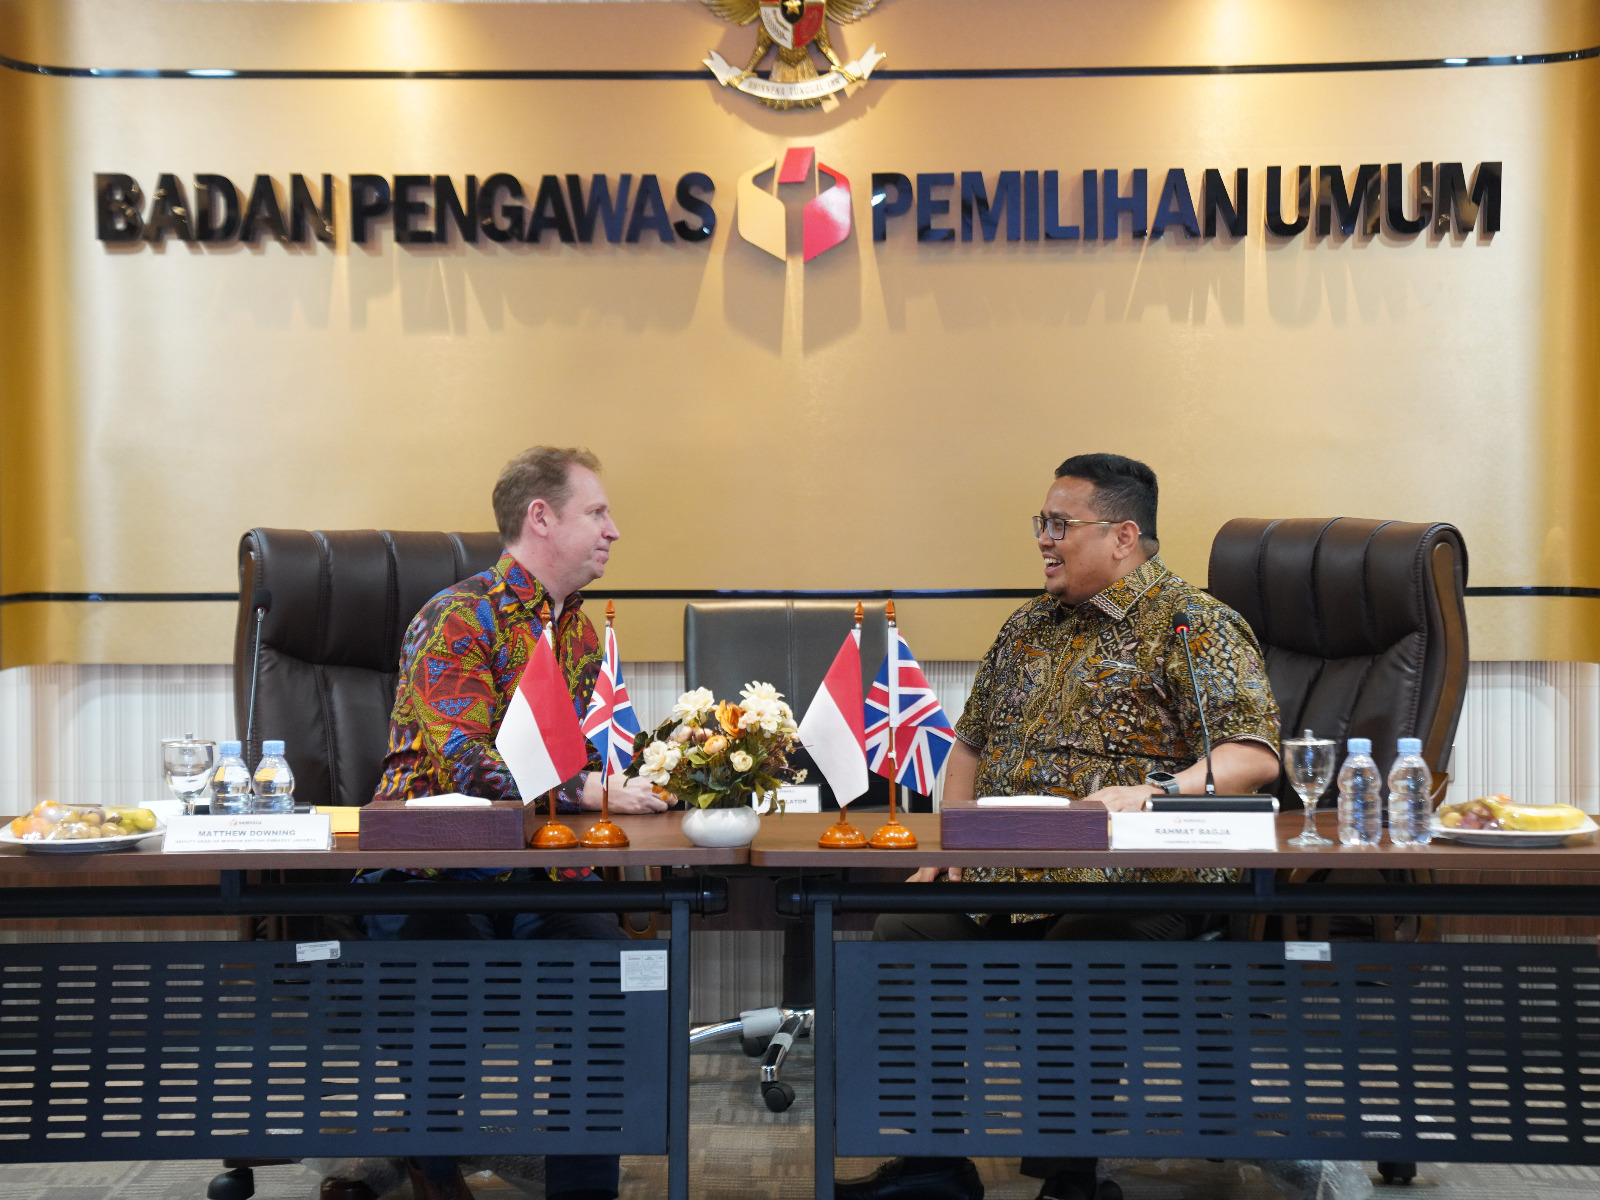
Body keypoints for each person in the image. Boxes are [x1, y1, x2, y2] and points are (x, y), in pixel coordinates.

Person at [837, 453, 1280, 1200]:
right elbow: (969, 746)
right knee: (904, 935)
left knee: (1069, 968)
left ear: (1122, 535)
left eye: (1059, 525)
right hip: (1007, 869)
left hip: (1139, 879)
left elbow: (1251, 757)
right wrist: (954, 845)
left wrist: (1156, 790)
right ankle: (935, 1164)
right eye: (1041, 523)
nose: (1043, 539)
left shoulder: (1193, 624)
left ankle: (1070, 1176)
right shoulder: (1028, 626)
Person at [364, 446, 669, 1200]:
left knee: (616, 976)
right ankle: (432, 1166)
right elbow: (471, 764)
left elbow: (587, 756)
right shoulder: (455, 618)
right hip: (435, 870)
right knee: (448, 981)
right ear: (542, 517)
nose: (614, 531)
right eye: (597, 512)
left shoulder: (580, 636)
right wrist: (586, 786)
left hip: (544, 871)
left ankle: (581, 1185)